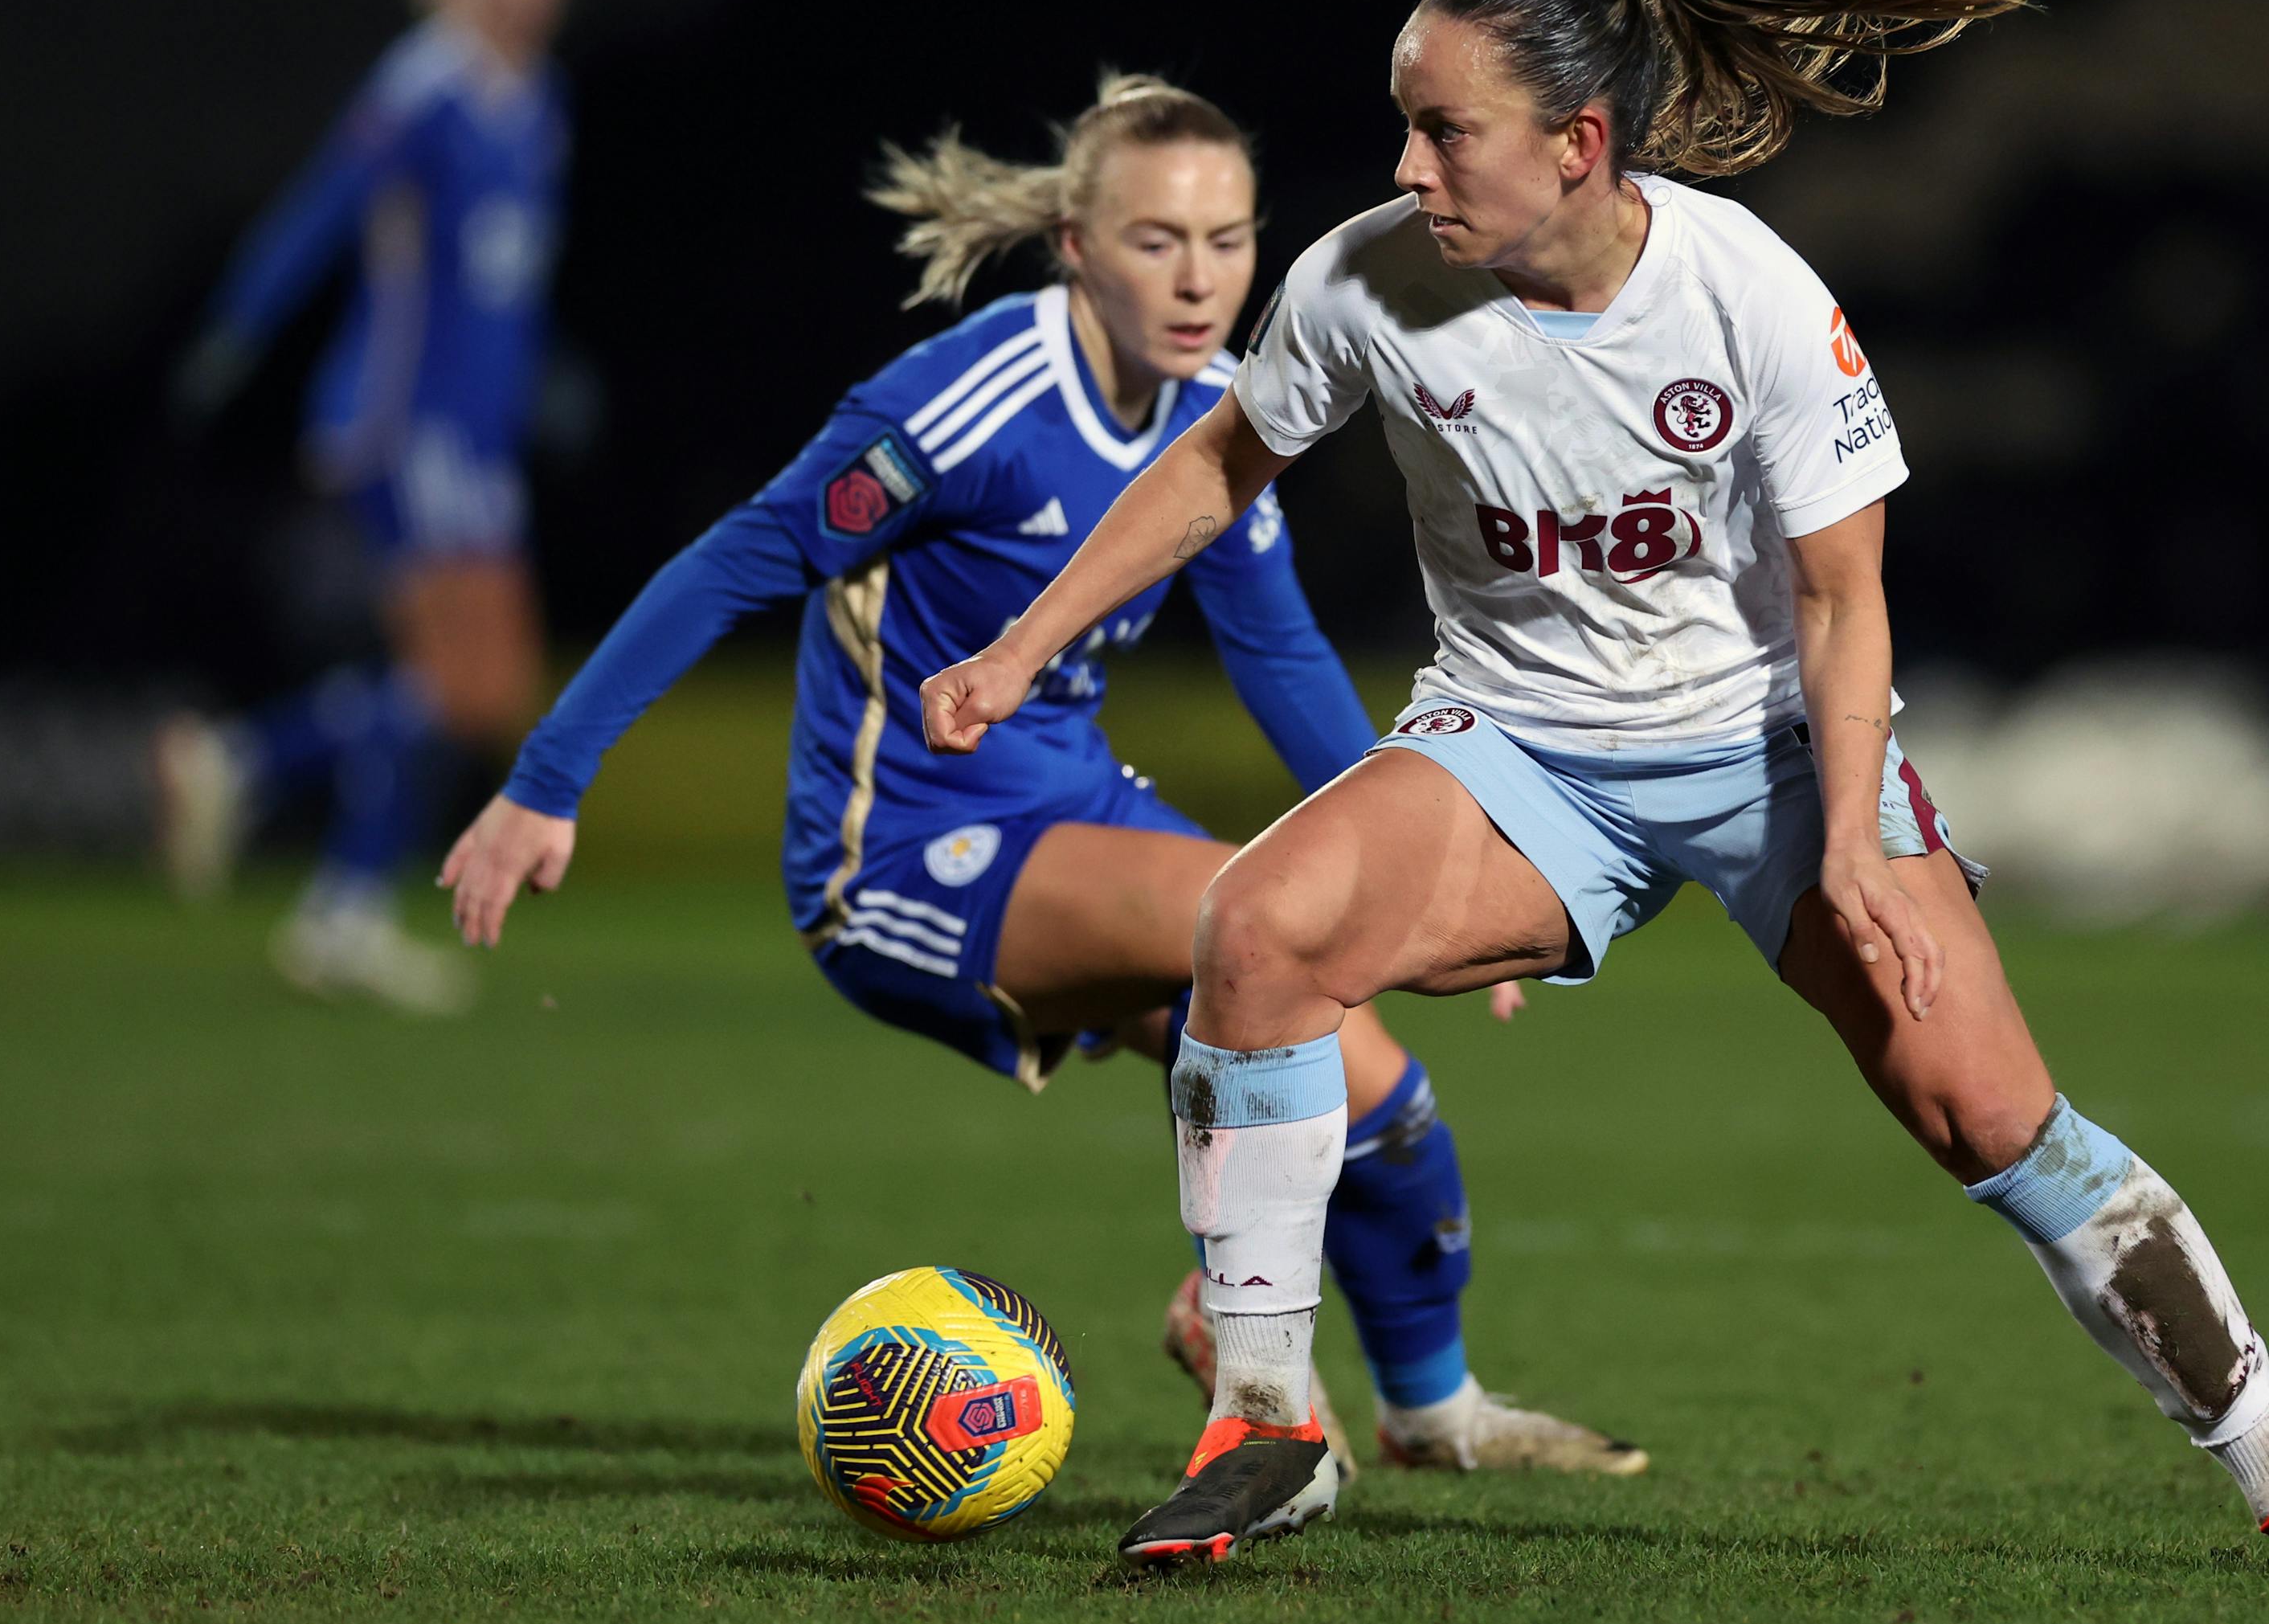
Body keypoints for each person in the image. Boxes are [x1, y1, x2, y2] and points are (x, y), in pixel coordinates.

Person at [922, 0, 2269, 1579]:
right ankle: (1268, 1424)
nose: (1407, 168)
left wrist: (1849, 844)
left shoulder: (1751, 298)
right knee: (1255, 931)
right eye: (1403, 126)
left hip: (1774, 753)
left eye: (1443, 131)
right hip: (1517, 751)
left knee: (1992, 1118)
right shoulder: (1365, 285)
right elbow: (1213, 464)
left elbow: (1848, 605)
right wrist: (1024, 643)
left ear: (1580, 141)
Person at [438, 74, 1638, 1479]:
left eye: (1231, 239)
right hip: (900, 858)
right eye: (1156, 242)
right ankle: (1265, 1408)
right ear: (1075, 244)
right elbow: (736, 560)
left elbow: (1280, 654)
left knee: (1379, 1092)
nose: (1202, 280)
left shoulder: (1215, 409)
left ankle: (1431, 1411)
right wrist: (545, 780)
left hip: (1074, 817)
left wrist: (1432, 849)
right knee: (1259, 926)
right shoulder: (963, 405)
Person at [156, 0, 578, 1015]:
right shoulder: (427, 89)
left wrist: (542, 376)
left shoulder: (533, 103)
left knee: (474, 692)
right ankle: (308, 856)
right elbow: (326, 206)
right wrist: (239, 322)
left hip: (476, 433)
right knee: (465, 685)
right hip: (408, 424)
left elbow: (499, 283)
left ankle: (263, 793)